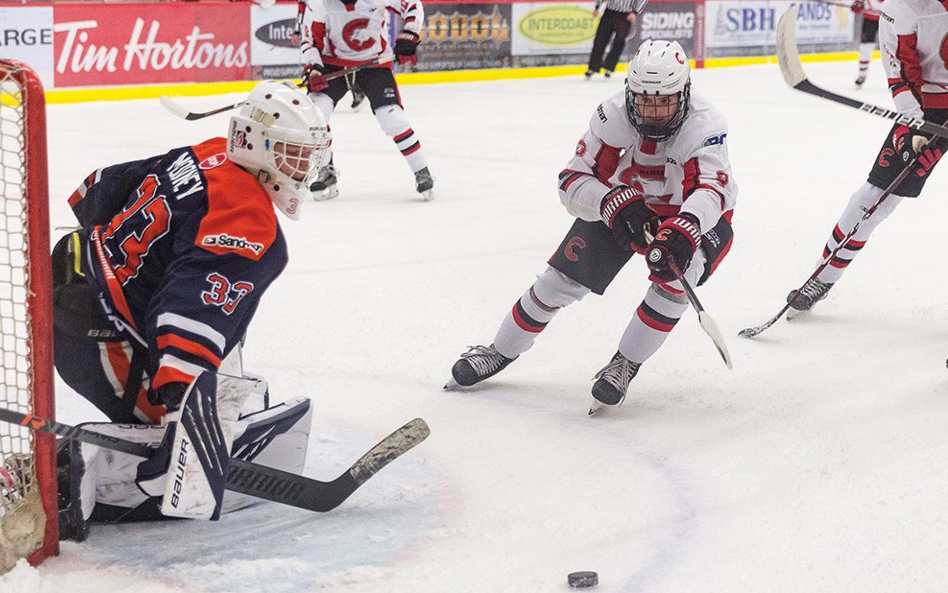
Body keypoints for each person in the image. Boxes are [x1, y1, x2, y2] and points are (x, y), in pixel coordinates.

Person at [49, 81, 329, 539]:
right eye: (293, 154)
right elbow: (188, 309)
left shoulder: (207, 153)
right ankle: (72, 471)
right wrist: (185, 411)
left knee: (235, 377)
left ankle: (189, 406)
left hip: (79, 277)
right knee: (190, 434)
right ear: (256, 147)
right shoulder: (249, 220)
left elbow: (101, 188)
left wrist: (117, 259)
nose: (305, 168)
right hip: (102, 335)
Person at [447, 40, 737, 413]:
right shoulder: (612, 115)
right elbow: (570, 181)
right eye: (645, 99)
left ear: (684, 94)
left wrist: (684, 228)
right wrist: (611, 203)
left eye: (664, 100)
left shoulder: (705, 123)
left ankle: (625, 363)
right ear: (630, 93)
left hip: (691, 215)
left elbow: (712, 190)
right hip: (628, 205)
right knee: (557, 282)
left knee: (675, 283)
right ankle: (499, 351)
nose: (653, 111)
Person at [784, 0, 947, 317]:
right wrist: (911, 127)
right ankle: (822, 276)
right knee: (873, 199)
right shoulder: (899, 10)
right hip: (929, 106)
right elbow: (902, 76)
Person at [300, 0, 434, 201]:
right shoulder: (319, 3)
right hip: (332, 65)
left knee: (392, 118)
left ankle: (421, 170)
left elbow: (413, 5)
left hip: (374, 63)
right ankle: (326, 170)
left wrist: (410, 34)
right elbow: (310, 42)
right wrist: (314, 67)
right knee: (315, 117)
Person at [586, 0, 648, 79]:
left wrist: (635, 12)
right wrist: (597, 7)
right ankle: (593, 66)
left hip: (625, 15)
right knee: (600, 39)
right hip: (610, 12)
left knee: (619, 42)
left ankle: (609, 66)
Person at [851, 0, 884, 87]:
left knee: (890, 49)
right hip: (869, 19)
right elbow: (857, 4)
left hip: (887, 19)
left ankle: (896, 78)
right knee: (865, 47)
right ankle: (862, 74)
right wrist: (857, 4)